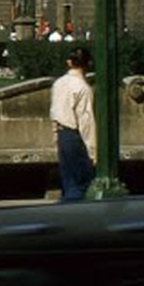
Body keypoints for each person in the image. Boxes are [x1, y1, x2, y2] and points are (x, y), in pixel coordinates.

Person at [50, 47, 96, 201]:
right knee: (82, 182)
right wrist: (92, 151)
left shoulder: (59, 83)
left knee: (68, 180)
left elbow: (54, 111)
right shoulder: (83, 88)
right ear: (88, 63)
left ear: (69, 62)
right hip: (75, 136)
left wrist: (56, 135)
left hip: (62, 132)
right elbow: (86, 121)